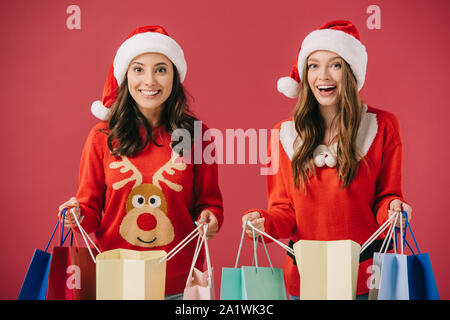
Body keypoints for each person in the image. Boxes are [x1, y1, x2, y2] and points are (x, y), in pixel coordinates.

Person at [242, 20, 412, 300]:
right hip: (305, 278)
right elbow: (283, 211)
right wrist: (264, 222)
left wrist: (394, 208)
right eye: (313, 65)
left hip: (366, 278)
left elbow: (386, 198)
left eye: (335, 65)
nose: (323, 76)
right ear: (305, 73)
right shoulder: (282, 135)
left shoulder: (382, 126)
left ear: (351, 71)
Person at [58, 26, 224, 299]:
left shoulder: (197, 135)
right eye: (138, 69)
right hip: (116, 281)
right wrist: (76, 215)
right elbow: (89, 208)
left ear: (175, 76)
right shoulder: (101, 137)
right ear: (125, 77)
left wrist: (212, 217)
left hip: (179, 285)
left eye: (160, 69)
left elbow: (210, 203)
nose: (150, 80)